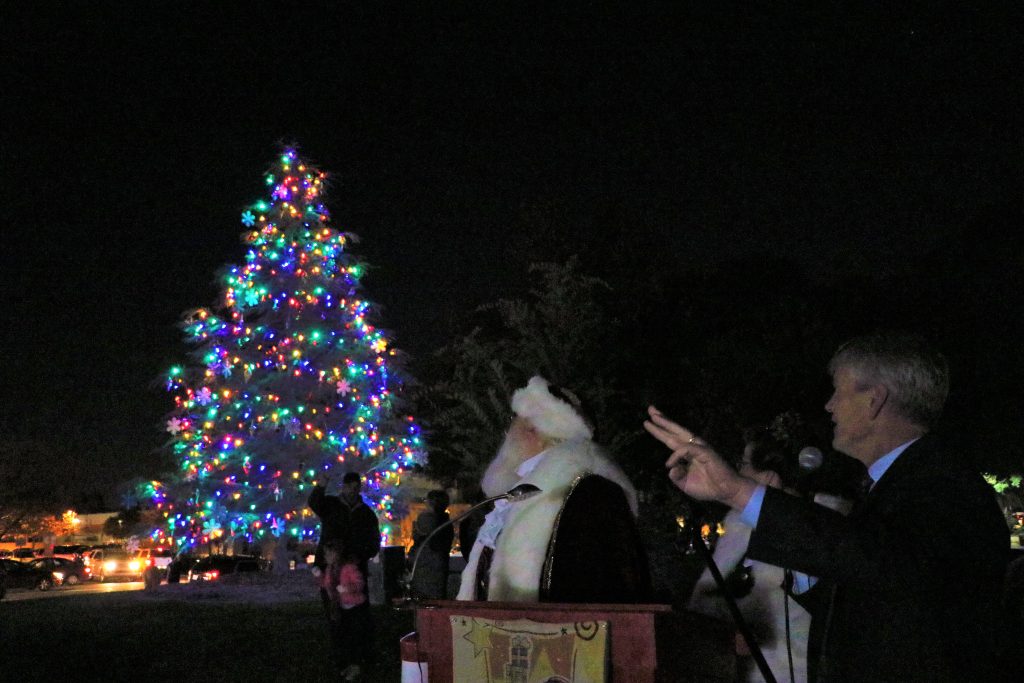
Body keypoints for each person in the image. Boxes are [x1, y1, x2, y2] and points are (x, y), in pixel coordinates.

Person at [645, 331, 1010, 682]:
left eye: (838, 391)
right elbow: (872, 599)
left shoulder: (943, 484)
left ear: (874, 400)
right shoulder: (899, 483)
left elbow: (885, 567)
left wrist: (737, 491)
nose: (829, 405)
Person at [457, 375, 651, 603]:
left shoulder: (589, 492)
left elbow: (605, 585)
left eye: (514, 421)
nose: (508, 432)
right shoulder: (515, 493)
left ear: (535, 430)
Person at [689, 423, 848, 683]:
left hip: (788, 670)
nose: (738, 472)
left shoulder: (831, 520)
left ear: (770, 478)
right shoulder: (833, 516)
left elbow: (703, 597)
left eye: (743, 464)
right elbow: (706, 596)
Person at [309, 472, 381, 675]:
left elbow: (373, 541)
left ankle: (358, 657)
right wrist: (321, 485)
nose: (352, 490)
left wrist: (361, 555)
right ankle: (341, 657)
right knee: (335, 614)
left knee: (357, 616)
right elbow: (315, 503)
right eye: (349, 486)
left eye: (356, 487)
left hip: (354, 569)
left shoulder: (366, 514)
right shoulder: (331, 505)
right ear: (343, 486)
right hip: (331, 567)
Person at [320, 538, 371, 682]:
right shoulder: (330, 569)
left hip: (354, 607)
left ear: (336, 554)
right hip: (340, 607)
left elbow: (359, 583)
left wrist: (347, 588)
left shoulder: (348, 567)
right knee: (344, 637)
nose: (326, 557)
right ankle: (348, 665)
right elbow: (326, 585)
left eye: (328, 554)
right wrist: (319, 577)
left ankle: (356, 666)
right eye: (325, 554)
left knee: (354, 637)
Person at [408, 489, 454, 599]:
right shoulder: (446, 522)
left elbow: (420, 540)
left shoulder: (426, 519)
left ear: (431, 503)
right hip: (439, 566)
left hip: (424, 566)